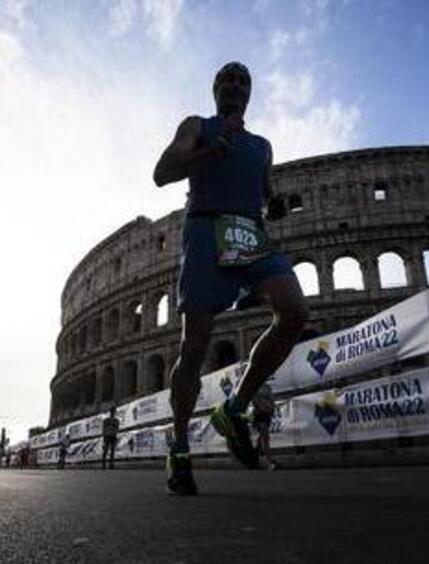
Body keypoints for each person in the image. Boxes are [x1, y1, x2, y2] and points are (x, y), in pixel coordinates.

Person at [153, 61, 308, 495]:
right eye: (228, 79)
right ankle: (179, 446)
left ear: (249, 92)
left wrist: (275, 206)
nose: (235, 85)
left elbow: (267, 197)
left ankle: (235, 407)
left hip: (250, 234)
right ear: (216, 88)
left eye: (243, 81)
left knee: (295, 313)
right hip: (206, 230)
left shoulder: (262, 146)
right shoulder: (196, 126)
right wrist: (209, 152)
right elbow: (163, 172)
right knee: (194, 346)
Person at [251, 383, 277, 471]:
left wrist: (272, 409)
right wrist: (261, 407)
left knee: (263, 439)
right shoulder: (254, 387)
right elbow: (254, 401)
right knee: (265, 437)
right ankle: (269, 462)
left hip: (267, 414)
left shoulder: (267, 386)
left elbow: (272, 399)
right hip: (259, 414)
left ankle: (255, 457)